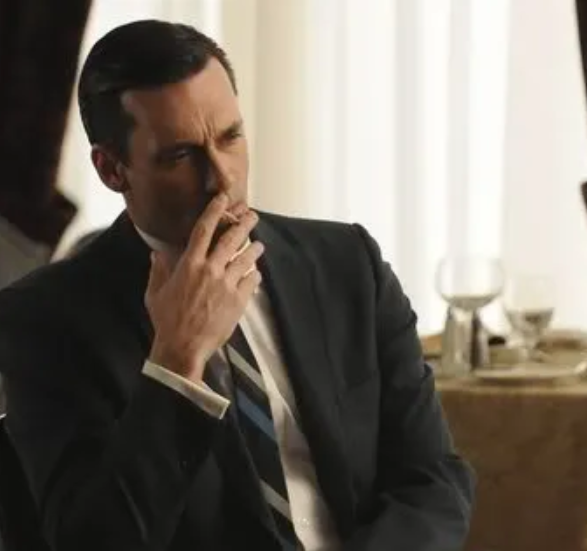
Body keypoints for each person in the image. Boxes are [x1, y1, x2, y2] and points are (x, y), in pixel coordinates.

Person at [0, 20, 474, 551]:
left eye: (230, 137)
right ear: (113, 170)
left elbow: (433, 479)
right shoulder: (43, 322)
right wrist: (176, 362)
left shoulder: (347, 264)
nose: (222, 178)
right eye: (181, 155)